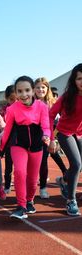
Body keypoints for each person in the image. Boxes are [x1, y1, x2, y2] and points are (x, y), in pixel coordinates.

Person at [0, 76, 50, 220]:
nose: (24, 94)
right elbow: (8, 129)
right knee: (20, 172)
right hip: (18, 145)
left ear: (33, 90)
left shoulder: (42, 106)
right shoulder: (12, 109)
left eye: (27, 90)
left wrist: (46, 135)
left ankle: (29, 200)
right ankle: (21, 206)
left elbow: (46, 126)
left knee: (33, 178)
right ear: (15, 93)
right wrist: (2, 148)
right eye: (19, 91)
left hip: (36, 145)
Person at [49, 63, 82, 216]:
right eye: (79, 78)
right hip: (64, 132)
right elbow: (50, 115)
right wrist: (50, 138)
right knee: (76, 163)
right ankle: (71, 200)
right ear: (74, 81)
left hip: (79, 133)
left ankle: (63, 180)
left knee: (79, 166)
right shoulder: (67, 97)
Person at [34, 77, 67, 199]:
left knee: (48, 159)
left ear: (47, 88)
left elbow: (60, 119)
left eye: (43, 87)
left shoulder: (53, 102)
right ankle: (39, 188)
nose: (40, 89)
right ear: (33, 89)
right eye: (37, 87)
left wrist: (54, 137)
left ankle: (44, 187)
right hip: (35, 136)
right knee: (38, 162)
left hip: (49, 135)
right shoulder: (31, 102)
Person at [0, 85, 16, 194]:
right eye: (11, 99)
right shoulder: (3, 111)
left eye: (16, 99)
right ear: (6, 98)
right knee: (8, 166)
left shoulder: (23, 108)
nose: (14, 102)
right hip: (8, 143)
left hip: (21, 142)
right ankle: (7, 185)